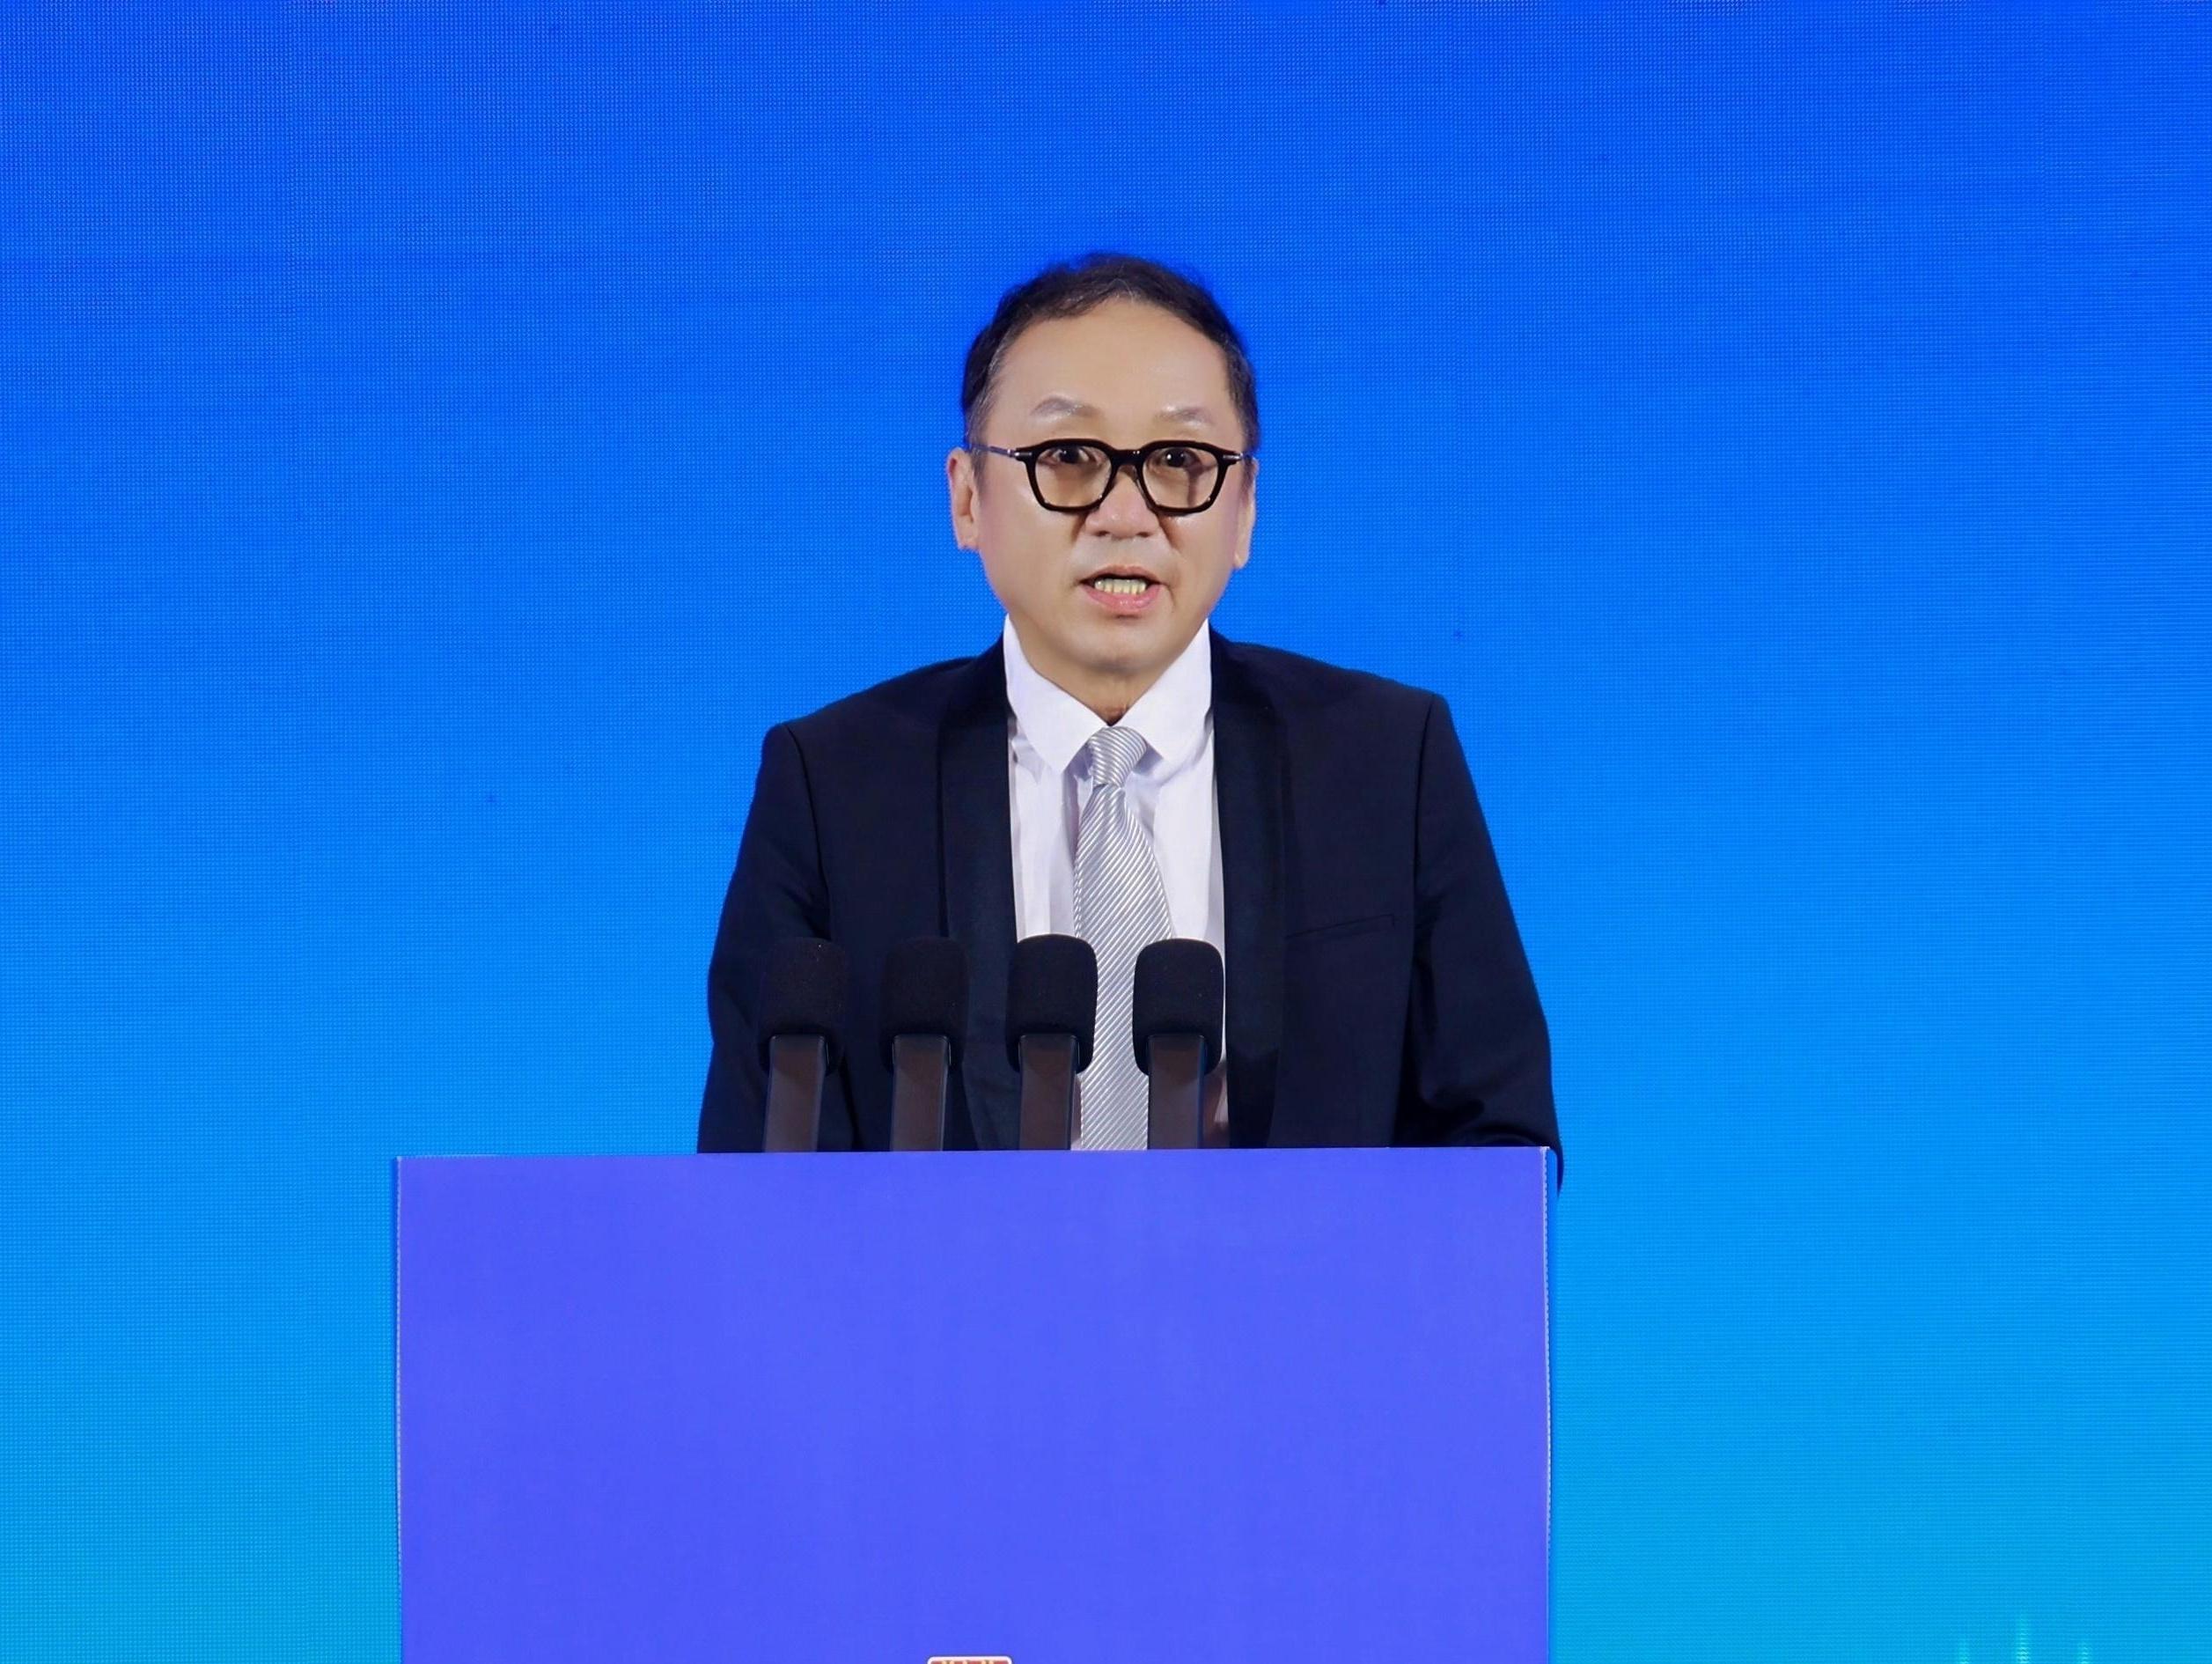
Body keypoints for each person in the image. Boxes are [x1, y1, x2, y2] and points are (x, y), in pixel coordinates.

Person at [698, 253, 1557, 1161]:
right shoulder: (833, 785)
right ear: (966, 497)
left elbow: (1495, 1143)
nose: (1123, 514)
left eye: (1179, 461)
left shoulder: (1385, 762)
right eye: (1067, 458)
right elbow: (759, 1167)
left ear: (1245, 509)